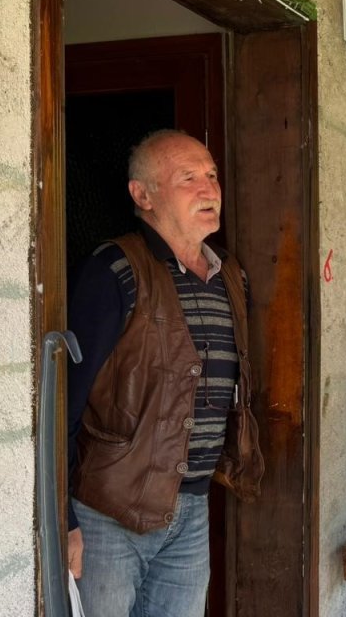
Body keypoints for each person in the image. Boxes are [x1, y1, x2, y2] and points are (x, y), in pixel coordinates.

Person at [65, 129, 264, 617]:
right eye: (188, 177)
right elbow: (64, 402)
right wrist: (63, 516)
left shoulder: (229, 276)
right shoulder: (116, 270)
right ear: (143, 195)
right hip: (106, 514)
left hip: (190, 510)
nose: (209, 189)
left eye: (212, 175)